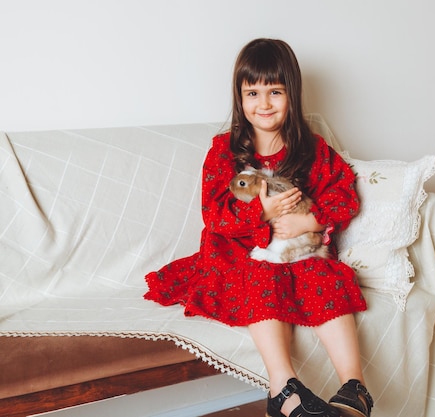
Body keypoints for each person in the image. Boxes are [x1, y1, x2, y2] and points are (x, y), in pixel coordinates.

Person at [144, 38, 373, 417]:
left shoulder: (312, 150)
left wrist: (311, 219)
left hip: (298, 255)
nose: (263, 104)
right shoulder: (223, 151)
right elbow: (215, 215)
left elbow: (344, 195)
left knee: (325, 276)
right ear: (240, 97)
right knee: (261, 278)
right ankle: (283, 389)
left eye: (275, 92)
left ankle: (354, 389)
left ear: (292, 95)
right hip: (242, 256)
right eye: (253, 92)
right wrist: (261, 213)